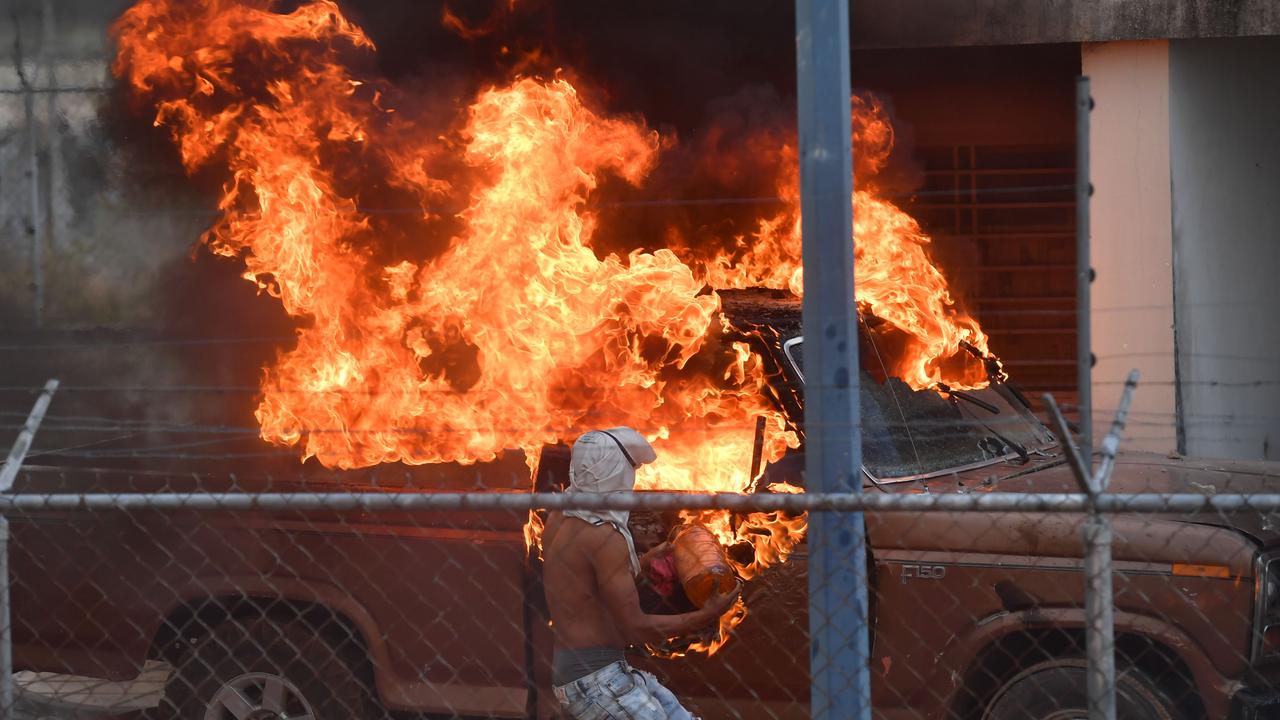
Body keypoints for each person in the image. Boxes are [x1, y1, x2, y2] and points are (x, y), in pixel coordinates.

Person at [541, 427, 741, 720]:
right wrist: (708, 615)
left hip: (594, 670)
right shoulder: (604, 535)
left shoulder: (562, 515)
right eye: (629, 468)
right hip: (596, 680)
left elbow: (585, 584)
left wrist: (646, 560)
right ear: (613, 472)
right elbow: (636, 628)